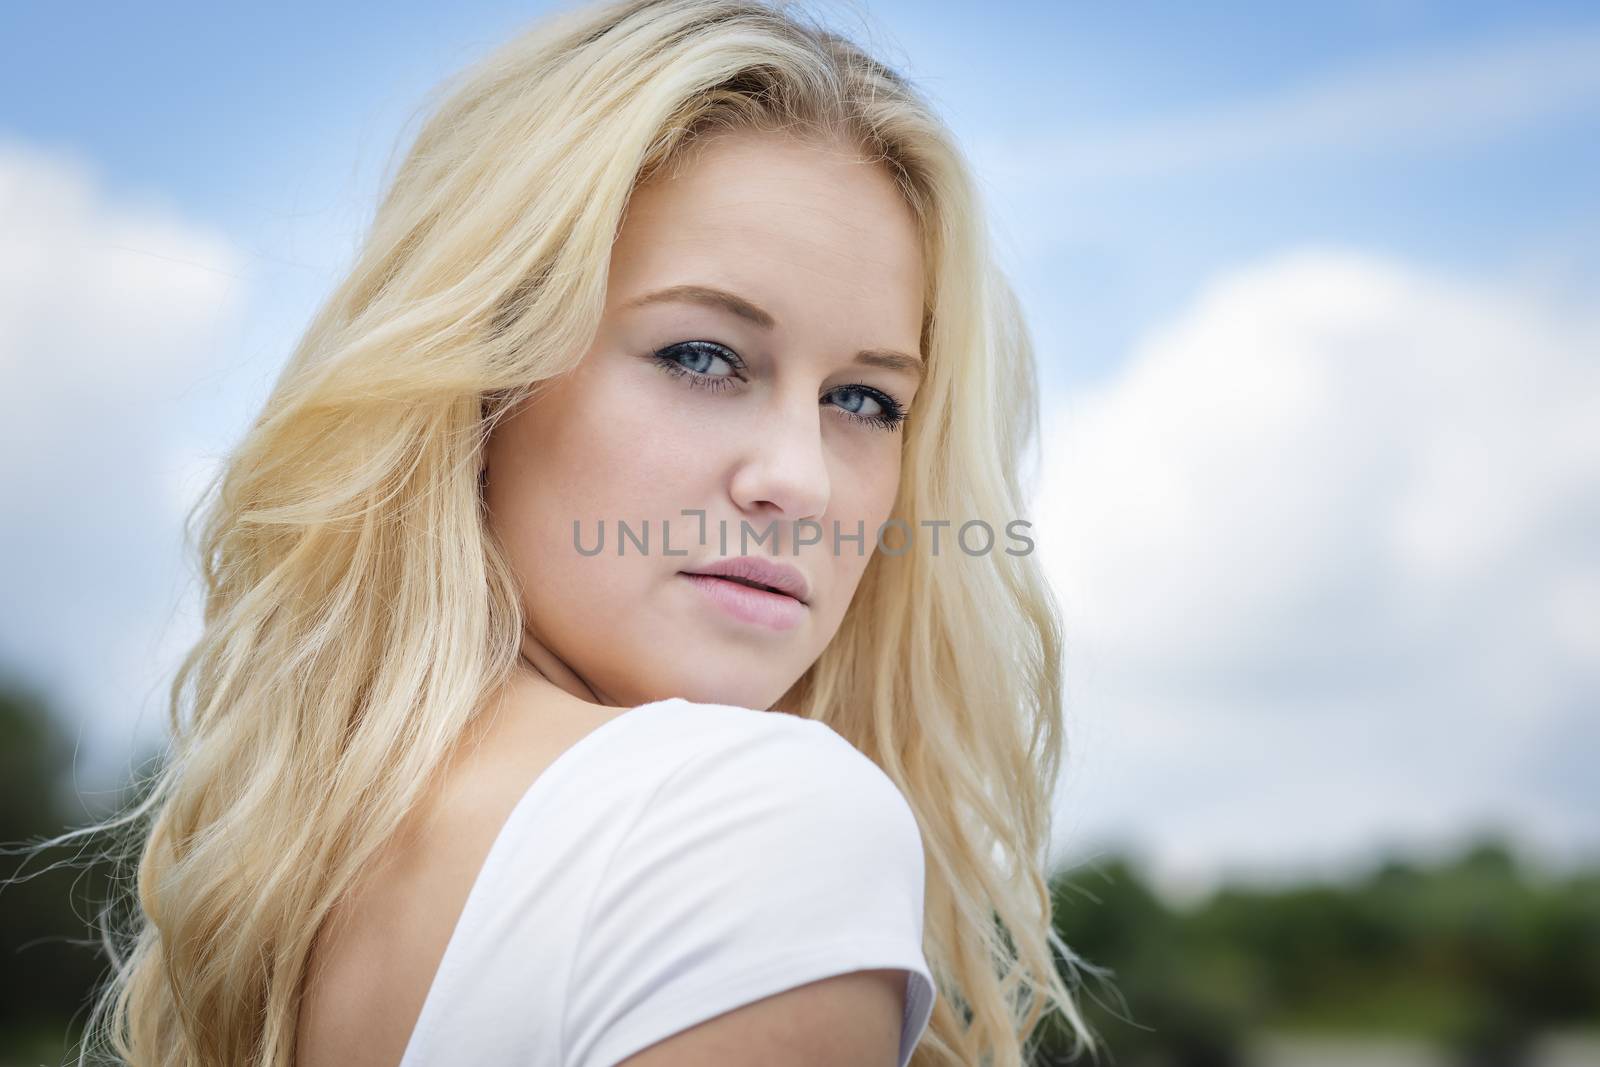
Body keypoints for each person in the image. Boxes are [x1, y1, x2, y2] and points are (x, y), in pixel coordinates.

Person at [70, 1, 1108, 1064]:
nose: (797, 480)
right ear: (482, 376)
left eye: (865, 401)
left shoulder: (295, 888)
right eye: (702, 356)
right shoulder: (756, 821)